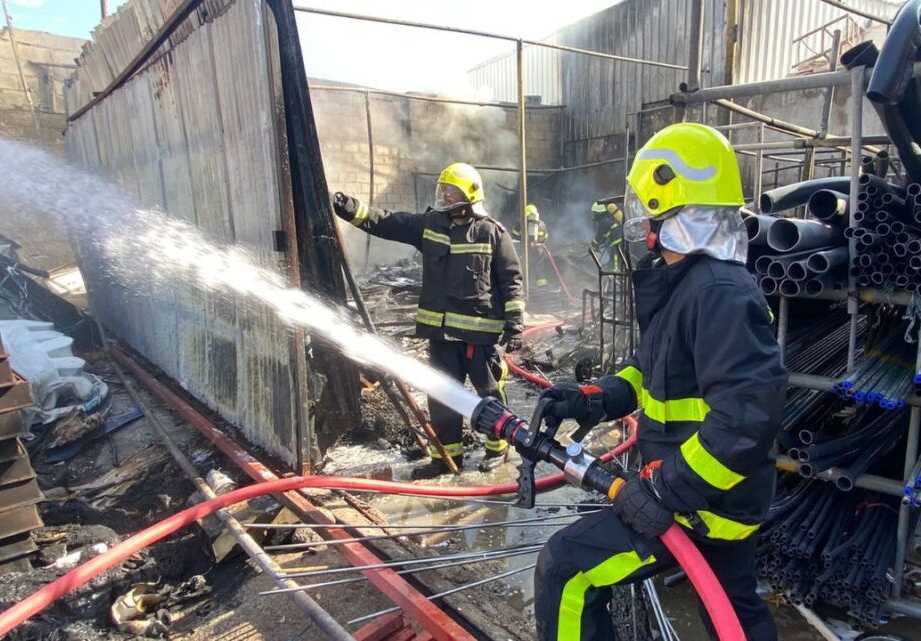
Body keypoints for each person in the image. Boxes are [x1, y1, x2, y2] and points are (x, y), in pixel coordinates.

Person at [532, 123, 786, 640]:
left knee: (567, 568)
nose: (636, 214)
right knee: (730, 611)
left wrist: (660, 491)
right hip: (705, 495)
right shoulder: (688, 283)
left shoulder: (716, 292)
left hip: (703, 502)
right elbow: (650, 370)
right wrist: (591, 399)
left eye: (644, 202)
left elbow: (745, 419)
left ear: (667, 204)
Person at [332, 162, 525, 476]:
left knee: (488, 394)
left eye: (451, 192)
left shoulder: (492, 232)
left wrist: (515, 324)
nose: (445, 197)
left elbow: (511, 280)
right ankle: (447, 459)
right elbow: (388, 222)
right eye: (443, 191)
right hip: (441, 337)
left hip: (479, 338)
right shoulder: (431, 225)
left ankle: (497, 448)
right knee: (442, 397)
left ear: (468, 194)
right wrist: (349, 208)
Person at [513, 204, 551, 288]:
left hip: (526, 248)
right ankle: (542, 284)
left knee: (525, 265)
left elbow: (514, 235)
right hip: (539, 249)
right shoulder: (542, 223)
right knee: (539, 265)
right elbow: (546, 236)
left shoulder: (520, 221)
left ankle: (525, 285)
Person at [590, 200, 624, 270]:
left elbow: (599, 237)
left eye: (595, 213)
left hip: (617, 243)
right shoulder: (607, 219)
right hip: (618, 242)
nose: (594, 215)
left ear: (598, 213)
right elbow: (604, 237)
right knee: (613, 261)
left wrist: (593, 245)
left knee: (615, 261)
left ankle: (616, 276)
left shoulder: (604, 222)